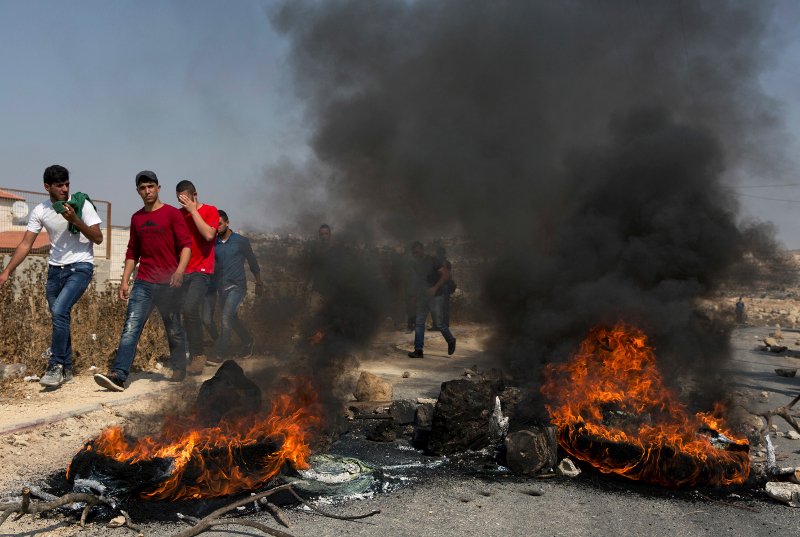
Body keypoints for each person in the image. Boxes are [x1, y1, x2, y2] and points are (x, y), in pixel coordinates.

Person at [0, 165, 103, 388]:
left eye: (67, 184)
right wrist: (6, 272)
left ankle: (55, 365)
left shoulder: (81, 204)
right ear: (47, 187)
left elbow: (98, 237)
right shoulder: (41, 210)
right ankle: (66, 368)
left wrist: (75, 219)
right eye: (59, 185)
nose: (65, 189)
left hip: (80, 267)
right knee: (59, 317)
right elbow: (26, 243)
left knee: (59, 311)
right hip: (55, 270)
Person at [94, 171, 191, 391]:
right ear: (138, 191)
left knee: (174, 328)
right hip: (144, 283)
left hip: (170, 284)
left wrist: (179, 271)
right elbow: (132, 252)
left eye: (150, 186)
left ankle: (179, 366)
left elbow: (186, 245)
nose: (147, 191)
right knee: (131, 327)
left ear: (158, 188)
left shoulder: (172, 214)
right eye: (142, 188)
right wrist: (125, 280)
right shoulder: (137, 218)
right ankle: (119, 375)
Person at [175, 180, 219, 374]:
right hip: (182, 271)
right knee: (182, 314)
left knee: (190, 308)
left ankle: (198, 355)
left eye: (186, 199)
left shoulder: (210, 210)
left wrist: (193, 211)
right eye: (179, 200)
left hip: (202, 271)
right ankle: (186, 355)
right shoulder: (177, 215)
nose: (183, 204)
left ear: (195, 194)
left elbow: (209, 235)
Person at [208, 210, 263, 364]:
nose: (216, 227)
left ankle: (219, 354)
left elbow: (252, 262)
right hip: (221, 287)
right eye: (214, 225)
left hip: (237, 286)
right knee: (232, 318)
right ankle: (248, 340)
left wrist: (259, 282)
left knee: (226, 317)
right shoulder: (214, 243)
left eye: (219, 224)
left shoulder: (241, 241)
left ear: (227, 223)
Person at [408, 242, 456, 358]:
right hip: (422, 296)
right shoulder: (415, 264)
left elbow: (446, 274)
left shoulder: (433, 260)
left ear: (422, 250)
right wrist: (414, 296)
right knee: (419, 324)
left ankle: (450, 340)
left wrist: (435, 288)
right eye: (414, 252)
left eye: (417, 251)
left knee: (439, 323)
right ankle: (418, 350)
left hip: (436, 296)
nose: (416, 254)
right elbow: (418, 281)